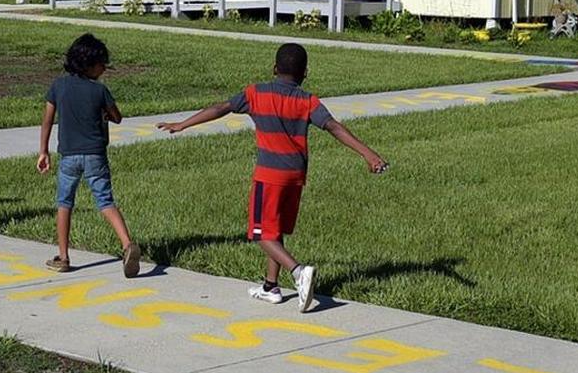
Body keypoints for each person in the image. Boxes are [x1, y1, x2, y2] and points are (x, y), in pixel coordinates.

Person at [158, 43, 388, 313]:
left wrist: (183, 124)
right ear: (305, 73)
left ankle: (299, 272)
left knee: (260, 233)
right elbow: (333, 127)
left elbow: (222, 107)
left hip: (269, 176)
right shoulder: (307, 101)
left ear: (274, 68)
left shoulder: (256, 93)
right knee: (275, 229)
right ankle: (270, 287)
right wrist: (369, 154)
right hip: (296, 176)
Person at [37, 33, 141, 277]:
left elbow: (47, 120)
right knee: (105, 201)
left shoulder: (58, 86)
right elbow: (117, 117)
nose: (104, 68)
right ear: (89, 64)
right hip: (95, 154)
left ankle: (63, 256)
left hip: (68, 157)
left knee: (64, 203)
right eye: (102, 64)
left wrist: (43, 150)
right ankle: (127, 244)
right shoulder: (99, 90)